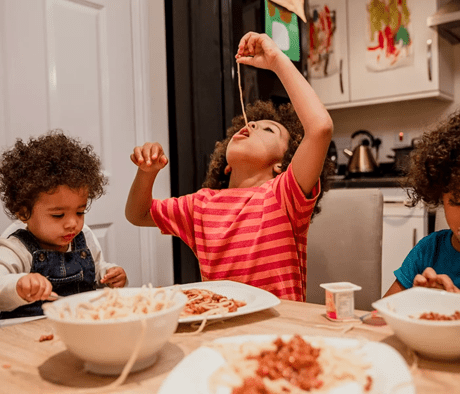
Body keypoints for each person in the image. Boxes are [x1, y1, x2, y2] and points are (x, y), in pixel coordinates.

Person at [125, 32, 334, 302]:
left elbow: (320, 128)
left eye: (268, 129)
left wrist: (275, 60)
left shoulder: (284, 196)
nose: (253, 125)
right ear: (226, 166)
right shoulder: (200, 206)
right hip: (221, 327)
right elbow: (137, 214)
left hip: (278, 328)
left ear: (283, 164)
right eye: (252, 124)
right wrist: (146, 173)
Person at [0, 131, 127, 318]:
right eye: (58, 215)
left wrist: (109, 274)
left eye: (80, 212)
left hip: (81, 329)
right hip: (31, 336)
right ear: (23, 212)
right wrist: (19, 285)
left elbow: (97, 270)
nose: (73, 224)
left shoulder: (84, 239)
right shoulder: (15, 250)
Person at [384, 110, 460, 297]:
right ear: (440, 195)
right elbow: (381, 316)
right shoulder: (428, 251)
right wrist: (414, 301)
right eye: (457, 202)